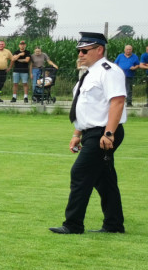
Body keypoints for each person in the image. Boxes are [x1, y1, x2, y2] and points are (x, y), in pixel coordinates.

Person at [50, 32, 127, 235]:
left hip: (104, 132)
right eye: (79, 51)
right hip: (91, 132)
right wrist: (77, 134)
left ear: (99, 50)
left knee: (80, 172)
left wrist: (109, 133)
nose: (80, 54)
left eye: (85, 50)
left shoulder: (108, 71)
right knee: (104, 178)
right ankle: (114, 224)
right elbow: (84, 107)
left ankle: (73, 224)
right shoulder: (88, 74)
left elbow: (117, 102)